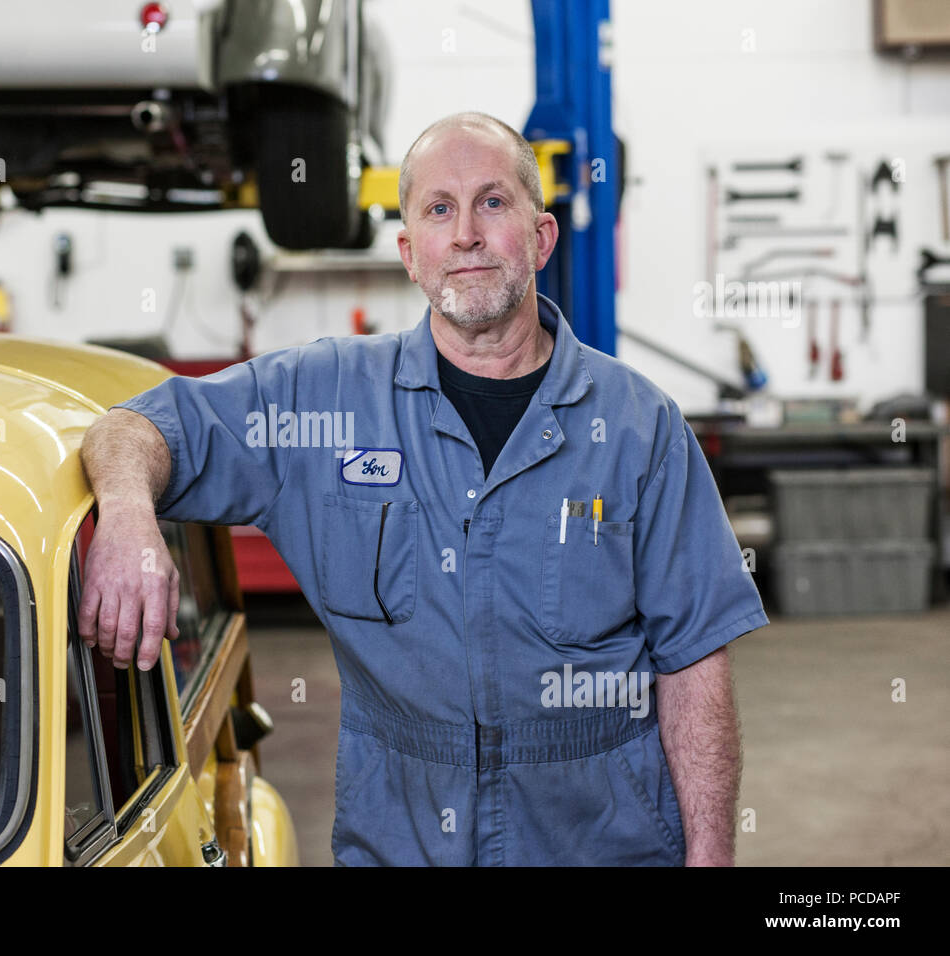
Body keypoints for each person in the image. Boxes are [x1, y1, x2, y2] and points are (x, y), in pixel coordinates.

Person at [77, 111, 769, 866]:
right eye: (440, 209)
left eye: (493, 203)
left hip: (602, 844)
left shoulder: (640, 428)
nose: (466, 234)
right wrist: (126, 515)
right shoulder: (323, 401)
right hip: (404, 844)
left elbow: (695, 661)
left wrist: (711, 859)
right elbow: (135, 429)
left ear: (540, 238)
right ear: (411, 253)